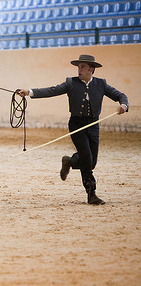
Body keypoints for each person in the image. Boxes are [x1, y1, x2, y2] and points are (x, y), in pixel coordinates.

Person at [18, 54, 128, 205]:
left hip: (93, 125)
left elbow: (120, 95)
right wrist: (29, 92)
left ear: (91, 69)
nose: (79, 70)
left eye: (82, 67)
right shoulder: (71, 83)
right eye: (78, 67)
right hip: (76, 125)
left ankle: (69, 161)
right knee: (87, 158)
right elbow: (52, 90)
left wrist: (124, 105)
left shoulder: (101, 84)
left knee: (91, 161)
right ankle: (91, 194)